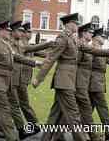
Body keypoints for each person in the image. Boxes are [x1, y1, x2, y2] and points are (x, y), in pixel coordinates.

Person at [0, 21, 42, 141]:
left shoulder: (6, 44)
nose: (9, 32)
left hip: (4, 82)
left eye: (10, 30)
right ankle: (12, 138)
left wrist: (34, 62)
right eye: (7, 30)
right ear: (0, 31)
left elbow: (17, 57)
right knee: (4, 110)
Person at [32, 13, 87, 141]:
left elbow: (88, 49)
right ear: (68, 24)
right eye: (75, 23)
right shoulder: (62, 38)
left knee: (54, 115)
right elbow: (51, 58)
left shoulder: (72, 38)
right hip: (63, 81)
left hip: (67, 80)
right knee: (74, 114)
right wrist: (38, 78)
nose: (77, 25)